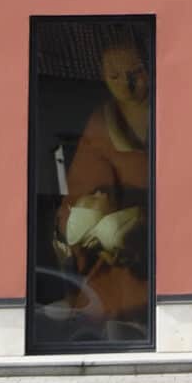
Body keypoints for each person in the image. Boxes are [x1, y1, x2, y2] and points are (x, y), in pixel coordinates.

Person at [53, 34, 151, 332]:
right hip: (110, 246)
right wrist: (82, 217)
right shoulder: (101, 122)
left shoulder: (170, 111)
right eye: (115, 76)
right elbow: (84, 184)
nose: (127, 84)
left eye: (135, 73)